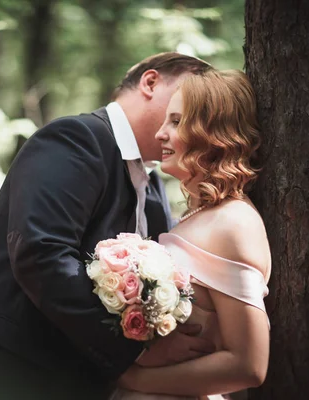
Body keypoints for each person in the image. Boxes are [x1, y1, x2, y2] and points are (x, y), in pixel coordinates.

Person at [0, 53, 215, 400]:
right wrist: (135, 352)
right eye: (186, 103)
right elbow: (41, 254)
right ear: (150, 82)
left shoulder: (152, 185)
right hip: (7, 372)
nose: (192, 120)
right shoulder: (76, 138)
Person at [114, 69, 271, 399]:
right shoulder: (200, 216)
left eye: (175, 121)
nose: (160, 133)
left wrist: (134, 379)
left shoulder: (233, 223)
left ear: (211, 131)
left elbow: (249, 365)